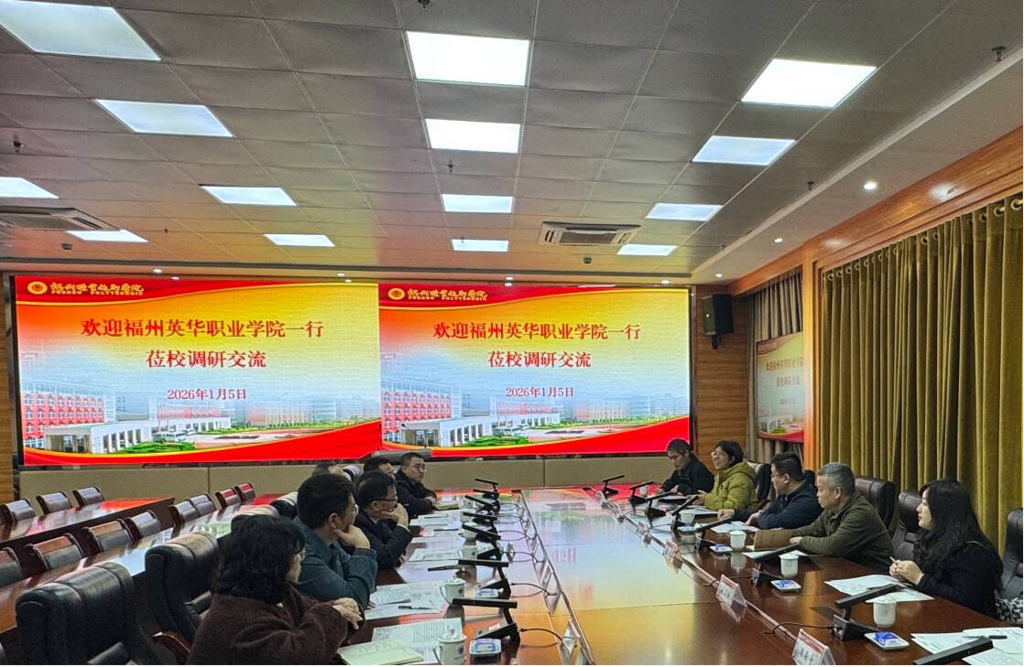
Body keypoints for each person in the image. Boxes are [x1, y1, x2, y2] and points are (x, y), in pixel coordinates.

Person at [188, 515, 361, 666]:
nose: (300, 559)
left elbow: (312, 616)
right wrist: (333, 614)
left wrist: (341, 609)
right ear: (274, 561)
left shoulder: (274, 591)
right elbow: (300, 659)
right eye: (296, 554)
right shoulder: (238, 618)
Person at [890, 478, 1001, 617]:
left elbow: (966, 601)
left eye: (925, 504)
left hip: (969, 621)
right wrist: (906, 575)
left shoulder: (973, 550)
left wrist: (919, 578)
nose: (918, 509)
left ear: (943, 510)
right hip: (933, 613)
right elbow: (928, 578)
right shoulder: (930, 536)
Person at [294, 474, 377, 608]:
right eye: (353, 509)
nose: (356, 515)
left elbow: (364, 585)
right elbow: (356, 601)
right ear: (333, 520)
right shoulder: (301, 554)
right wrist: (363, 547)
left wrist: (359, 590)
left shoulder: (326, 537)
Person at [790, 462, 892, 571]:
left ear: (837, 492)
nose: (817, 494)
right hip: (849, 569)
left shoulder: (860, 513)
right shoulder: (833, 508)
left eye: (820, 489)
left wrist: (801, 541)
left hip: (874, 574)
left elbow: (831, 546)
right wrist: (783, 535)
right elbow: (813, 530)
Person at [718, 452, 821, 529]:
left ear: (786, 478)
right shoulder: (786, 493)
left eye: (773, 476)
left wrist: (761, 516)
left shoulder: (807, 500)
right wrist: (734, 513)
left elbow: (774, 522)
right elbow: (767, 512)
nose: (771, 480)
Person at [353, 472, 413, 569]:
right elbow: (386, 559)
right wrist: (402, 523)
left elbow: (397, 550)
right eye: (393, 499)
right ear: (375, 505)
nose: (397, 503)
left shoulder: (379, 518)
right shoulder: (358, 524)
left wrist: (394, 552)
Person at [699, 440, 758, 511]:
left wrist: (707, 499)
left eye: (721, 454)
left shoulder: (740, 479)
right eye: (715, 453)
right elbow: (716, 499)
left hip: (738, 518)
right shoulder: (721, 476)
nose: (715, 457)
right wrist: (703, 499)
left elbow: (733, 507)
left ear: (731, 459)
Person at [395, 452, 437, 518]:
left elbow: (429, 492)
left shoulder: (415, 483)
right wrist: (429, 502)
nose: (421, 471)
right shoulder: (397, 483)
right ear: (404, 469)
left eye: (423, 467)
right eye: (417, 467)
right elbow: (412, 506)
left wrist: (428, 500)